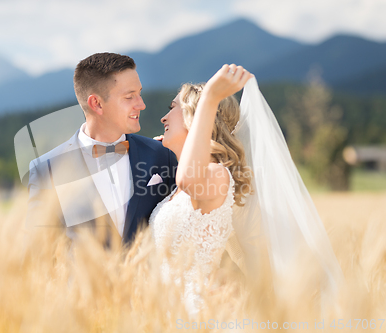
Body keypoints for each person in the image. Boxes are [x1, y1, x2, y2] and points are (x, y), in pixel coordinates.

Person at [149, 64, 343, 316]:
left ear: (196, 117)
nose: (164, 118)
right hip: (165, 310)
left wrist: (209, 97)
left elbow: (188, 179)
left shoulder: (216, 175)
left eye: (172, 108)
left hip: (194, 314)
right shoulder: (179, 181)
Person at [26, 53, 178, 247]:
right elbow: (37, 254)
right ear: (96, 104)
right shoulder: (47, 169)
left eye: (139, 94)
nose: (141, 104)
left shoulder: (161, 154)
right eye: (130, 96)